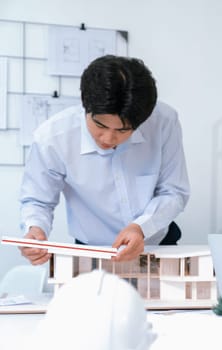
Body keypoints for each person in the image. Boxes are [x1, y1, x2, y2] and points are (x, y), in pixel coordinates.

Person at [19, 55, 190, 264]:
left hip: (156, 245)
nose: (108, 138)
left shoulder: (163, 122)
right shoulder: (53, 138)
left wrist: (141, 228)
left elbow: (173, 191)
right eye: (100, 125)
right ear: (86, 107)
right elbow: (38, 201)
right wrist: (35, 229)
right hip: (91, 252)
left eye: (123, 130)